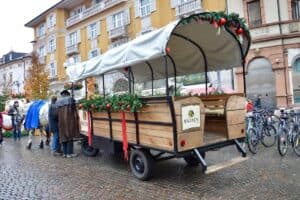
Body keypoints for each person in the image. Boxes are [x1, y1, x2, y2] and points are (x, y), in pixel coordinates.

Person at [57, 90, 80, 158]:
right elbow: (75, 110)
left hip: (61, 122)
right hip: (69, 121)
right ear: (67, 94)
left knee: (63, 137)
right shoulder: (70, 99)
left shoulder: (58, 101)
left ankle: (64, 153)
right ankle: (70, 153)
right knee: (70, 137)